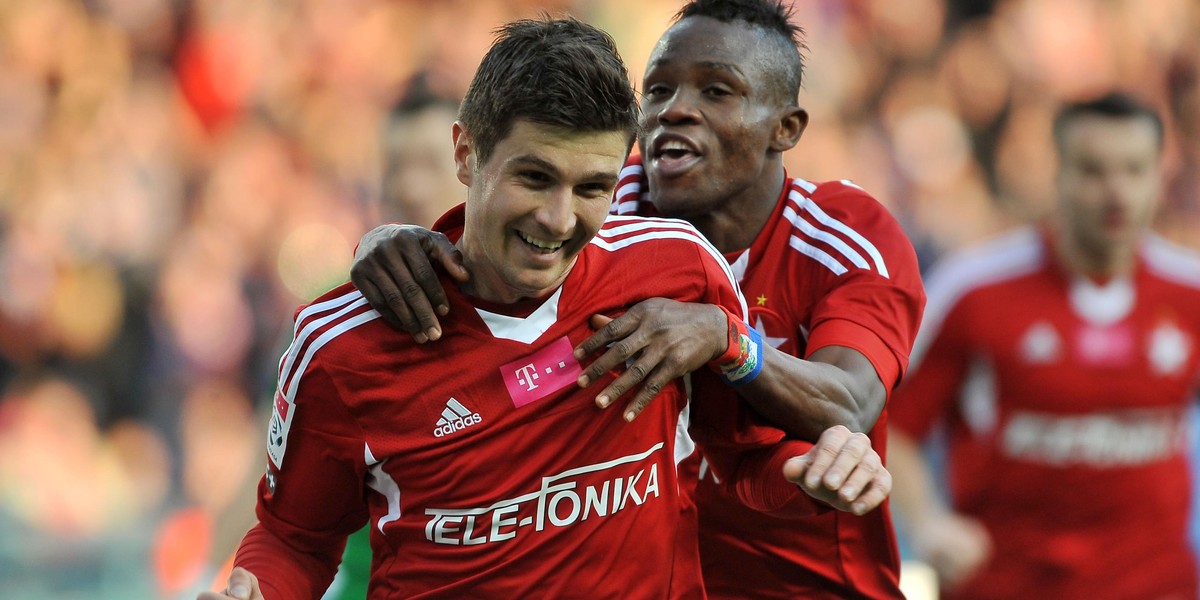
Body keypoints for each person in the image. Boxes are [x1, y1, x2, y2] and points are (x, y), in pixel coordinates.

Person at [201, 16, 892, 600]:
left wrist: (809, 474)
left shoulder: (677, 273)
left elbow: (739, 462)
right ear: (467, 154)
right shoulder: (343, 345)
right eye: (535, 177)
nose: (559, 219)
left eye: (592, 187)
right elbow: (294, 539)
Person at [888, 92, 1200, 600]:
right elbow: (893, 424)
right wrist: (928, 522)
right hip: (1007, 585)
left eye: (1134, 170)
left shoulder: (1190, 294)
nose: (1116, 192)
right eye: (1093, 171)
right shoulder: (977, 290)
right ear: (1057, 174)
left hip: (1156, 585)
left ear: (1159, 176)